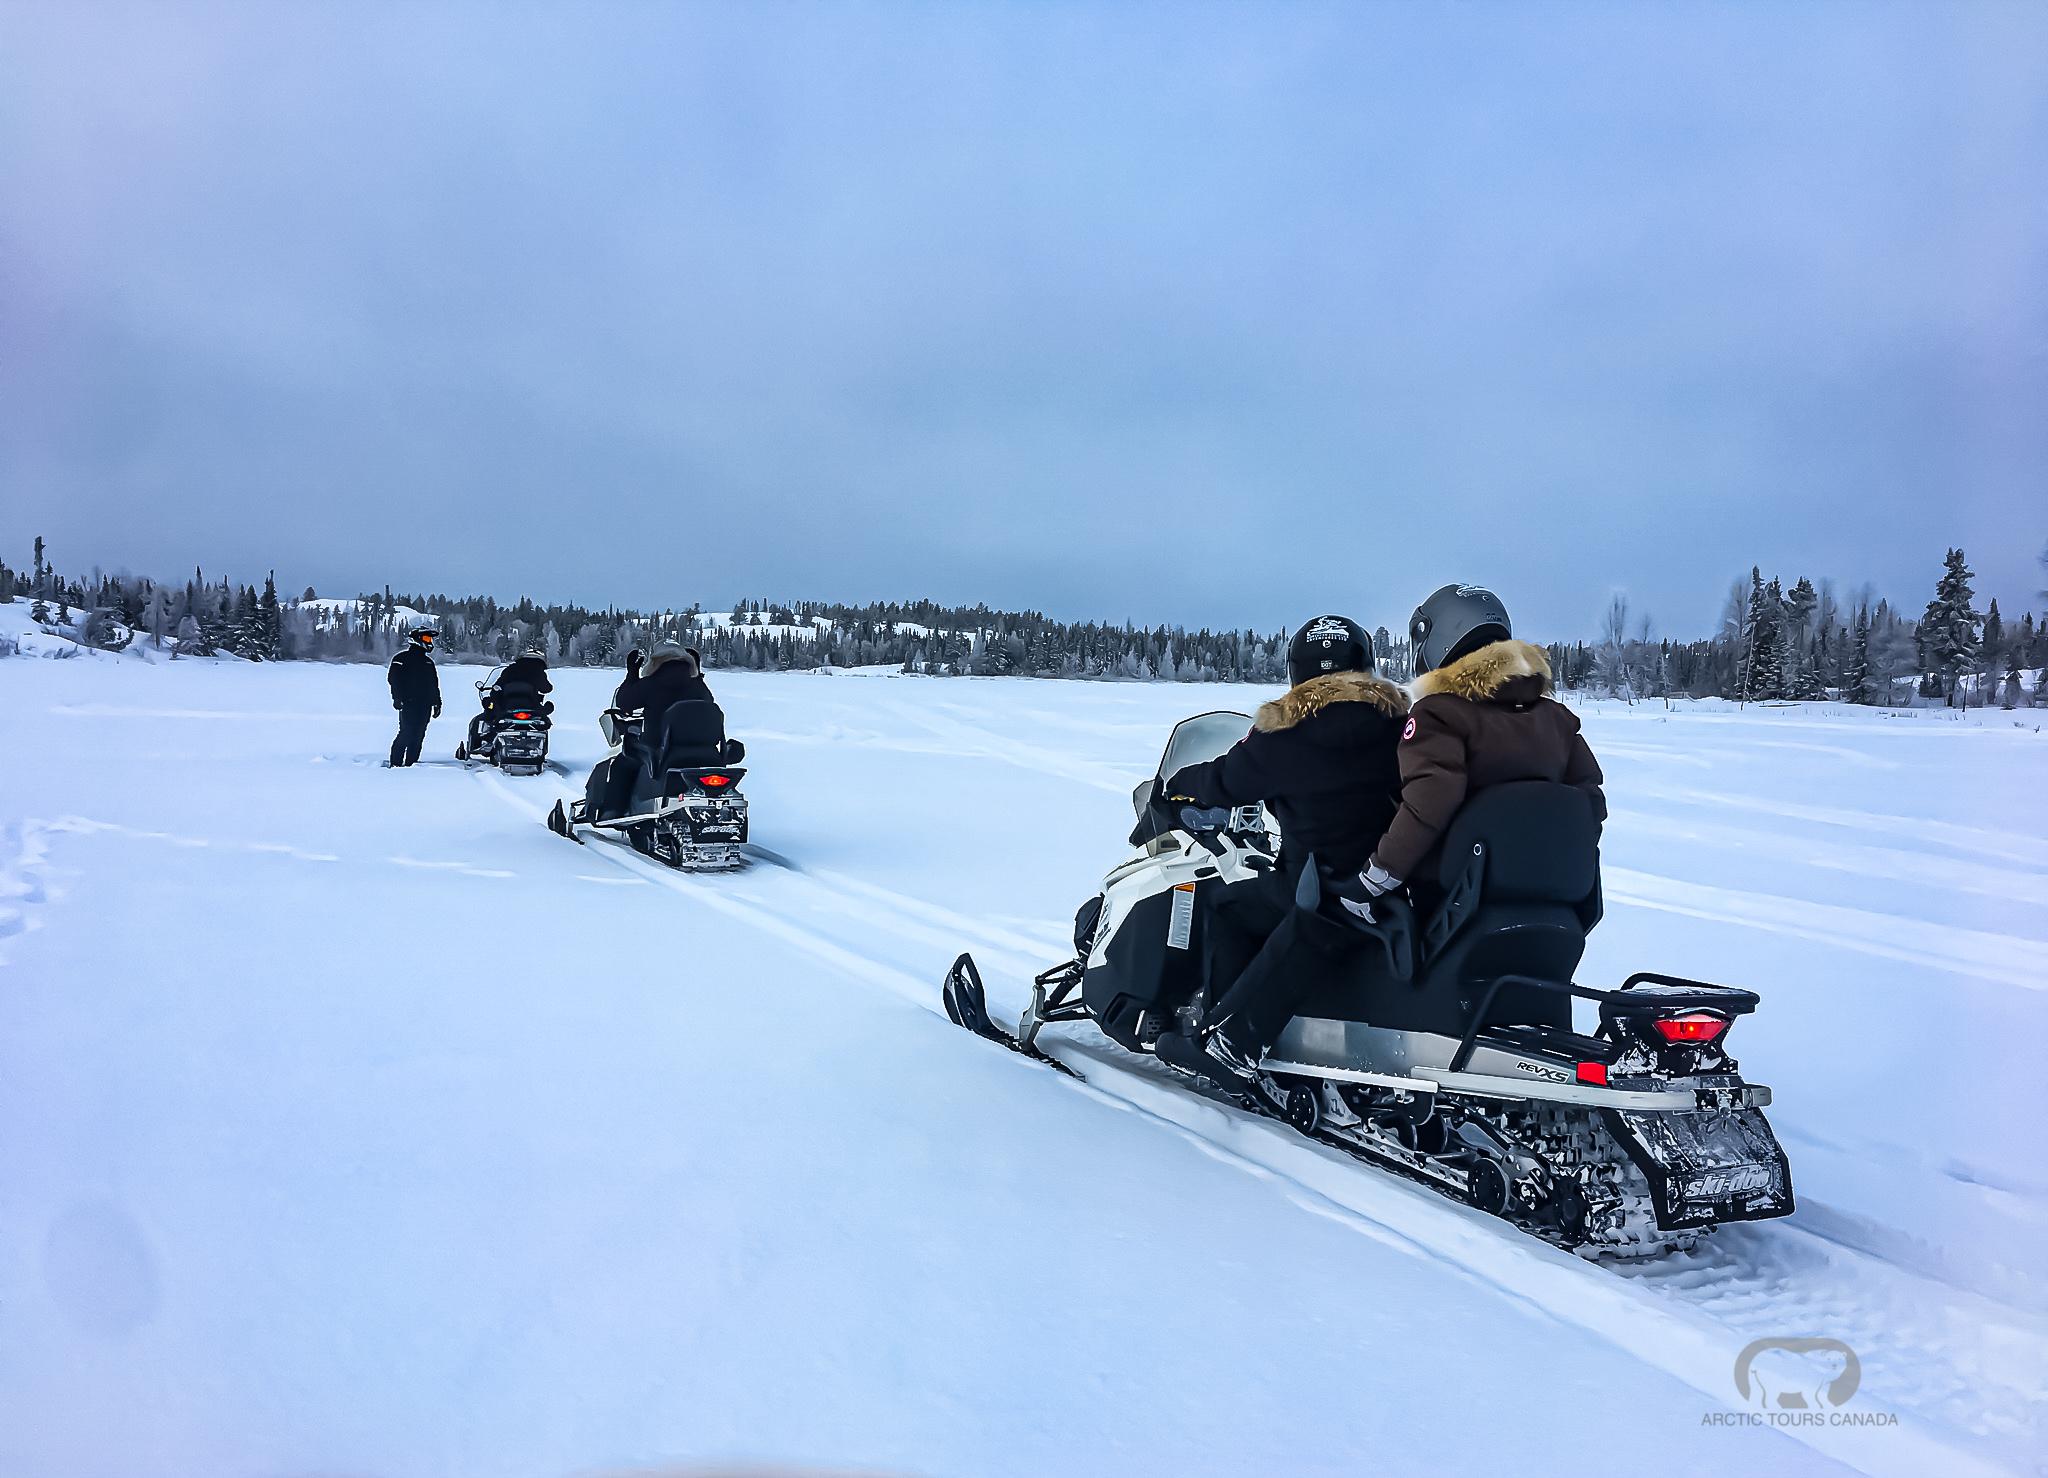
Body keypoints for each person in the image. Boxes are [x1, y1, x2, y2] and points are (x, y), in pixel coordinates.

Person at [1153, 615, 1407, 1081]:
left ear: (1298, 670)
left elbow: (1226, 779)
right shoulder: (1397, 727)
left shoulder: (1289, 730)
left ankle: (1226, 1035)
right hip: (1388, 884)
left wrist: (1178, 785)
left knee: (1227, 904)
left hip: (1316, 885)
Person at [1345, 584, 1606, 913]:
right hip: (1551, 902)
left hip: (1453, 901)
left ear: (1437, 637)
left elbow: (1431, 798)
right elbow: (1591, 799)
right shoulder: (1557, 718)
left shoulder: (1439, 714)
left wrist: (1379, 874)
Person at [583, 642, 725, 820]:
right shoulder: (699, 687)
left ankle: (613, 809)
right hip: (705, 752)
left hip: (660, 749)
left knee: (623, 762)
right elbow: (706, 706)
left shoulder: (651, 684)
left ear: (656, 662)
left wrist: (631, 675)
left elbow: (625, 703)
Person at [468, 646, 554, 752]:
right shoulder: (539, 672)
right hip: (530, 706)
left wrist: (494, 695)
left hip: (507, 706)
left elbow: (498, 685)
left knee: (486, 716)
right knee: (543, 719)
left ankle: (481, 742)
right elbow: (546, 688)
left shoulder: (510, 670)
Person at [386, 625, 442, 768]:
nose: (429, 641)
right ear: (417, 639)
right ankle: (396, 765)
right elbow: (394, 680)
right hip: (408, 703)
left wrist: (437, 703)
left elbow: (433, 685)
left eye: (429, 638)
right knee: (406, 732)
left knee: (419, 735)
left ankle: (412, 765)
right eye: (426, 638)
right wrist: (397, 698)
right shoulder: (401, 658)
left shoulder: (428, 662)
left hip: (425, 705)